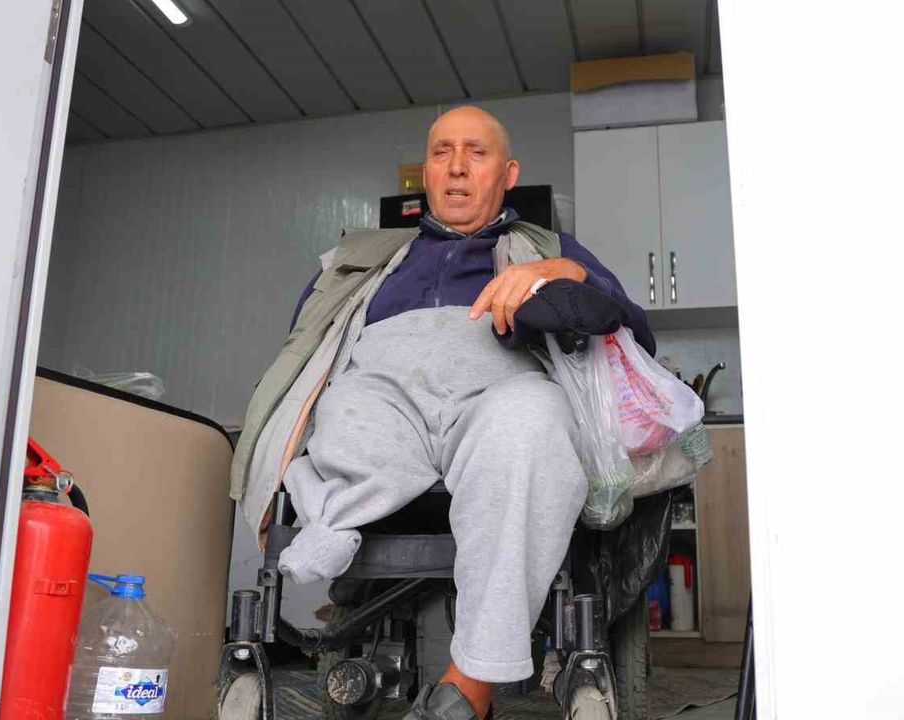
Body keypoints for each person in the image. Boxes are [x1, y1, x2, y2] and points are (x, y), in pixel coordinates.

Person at [280, 106, 653, 720]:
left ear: (507, 174)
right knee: (344, 406)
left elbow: (636, 333)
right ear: (425, 173)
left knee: (533, 415)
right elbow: (304, 344)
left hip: (493, 399)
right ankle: (336, 518)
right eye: (442, 153)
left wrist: (563, 273)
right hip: (385, 397)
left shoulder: (551, 249)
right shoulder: (369, 258)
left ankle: (469, 688)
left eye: (476, 153)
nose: (457, 167)